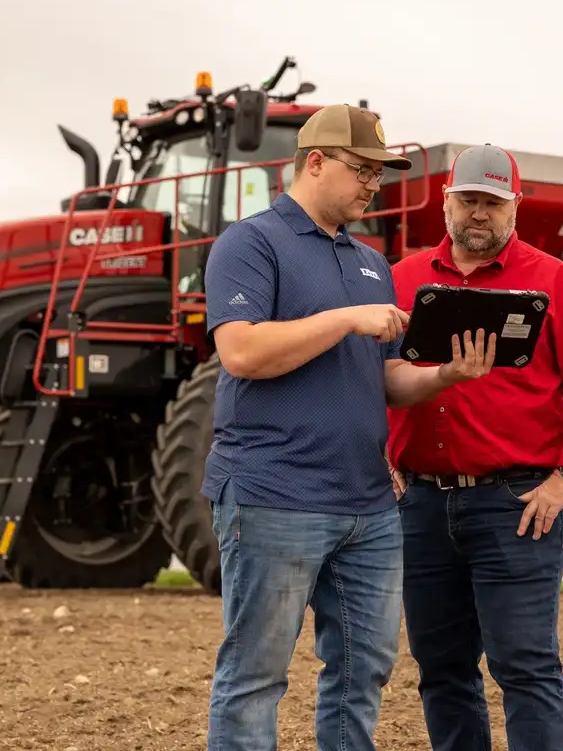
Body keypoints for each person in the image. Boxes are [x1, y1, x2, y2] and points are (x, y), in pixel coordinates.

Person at [202, 104, 498, 751]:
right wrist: (347, 320)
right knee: (256, 676)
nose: (373, 185)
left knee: (363, 672)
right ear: (314, 162)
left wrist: (448, 375)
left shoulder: (369, 261)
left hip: (368, 506)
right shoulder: (249, 244)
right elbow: (243, 353)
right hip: (273, 495)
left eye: (379, 174)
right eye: (362, 170)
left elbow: (386, 380)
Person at [386, 143, 563, 751]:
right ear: (446, 201)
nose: (479, 214)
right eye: (468, 200)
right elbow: (364, 384)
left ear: (515, 207)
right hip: (421, 506)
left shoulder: (554, 284)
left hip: (517, 505)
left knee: (525, 666)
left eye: (493, 204)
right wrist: (380, 458)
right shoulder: (403, 281)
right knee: (440, 669)